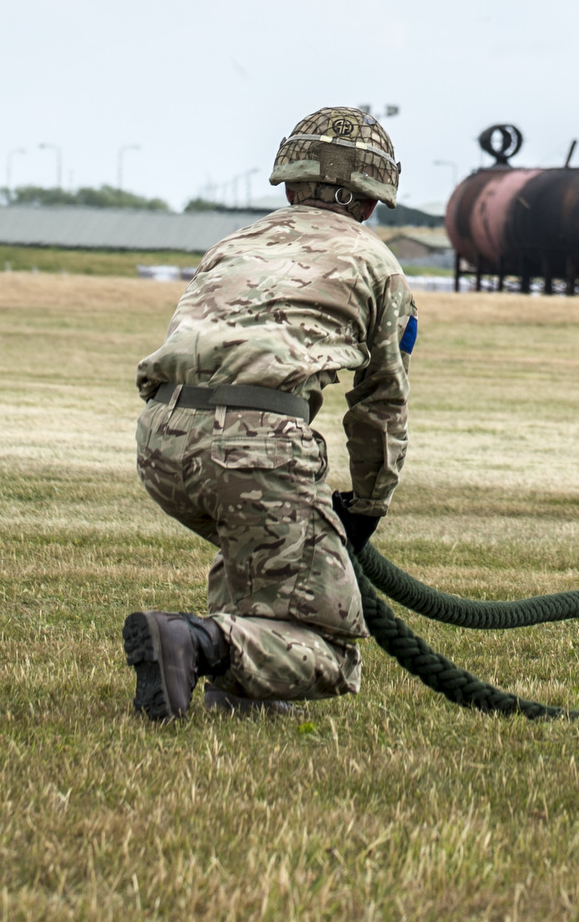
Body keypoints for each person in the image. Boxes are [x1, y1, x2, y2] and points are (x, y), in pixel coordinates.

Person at [123, 106, 415, 721]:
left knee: (258, 551)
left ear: (288, 181)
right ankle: (194, 642)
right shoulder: (375, 263)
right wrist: (366, 505)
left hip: (160, 436)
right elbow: (379, 404)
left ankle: (235, 695)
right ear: (371, 201)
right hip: (255, 448)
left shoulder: (235, 243)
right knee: (331, 649)